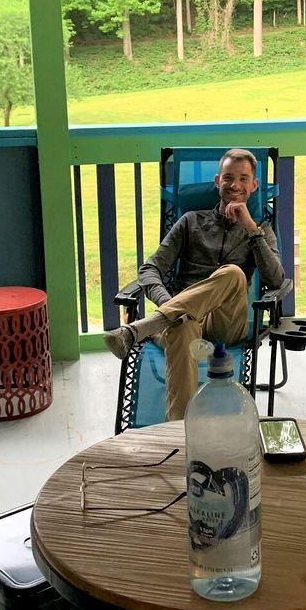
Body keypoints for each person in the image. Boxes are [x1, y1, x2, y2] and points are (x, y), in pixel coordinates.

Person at [103, 148, 285, 421]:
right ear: (217, 181)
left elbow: (276, 281)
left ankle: (140, 329)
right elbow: (150, 269)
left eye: (243, 179)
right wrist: (170, 305)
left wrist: (251, 230)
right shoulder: (190, 222)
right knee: (183, 323)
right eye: (228, 177)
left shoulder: (260, 230)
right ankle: (178, 433)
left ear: (254, 185)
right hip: (178, 321)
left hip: (225, 324)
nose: (235, 185)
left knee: (234, 273)